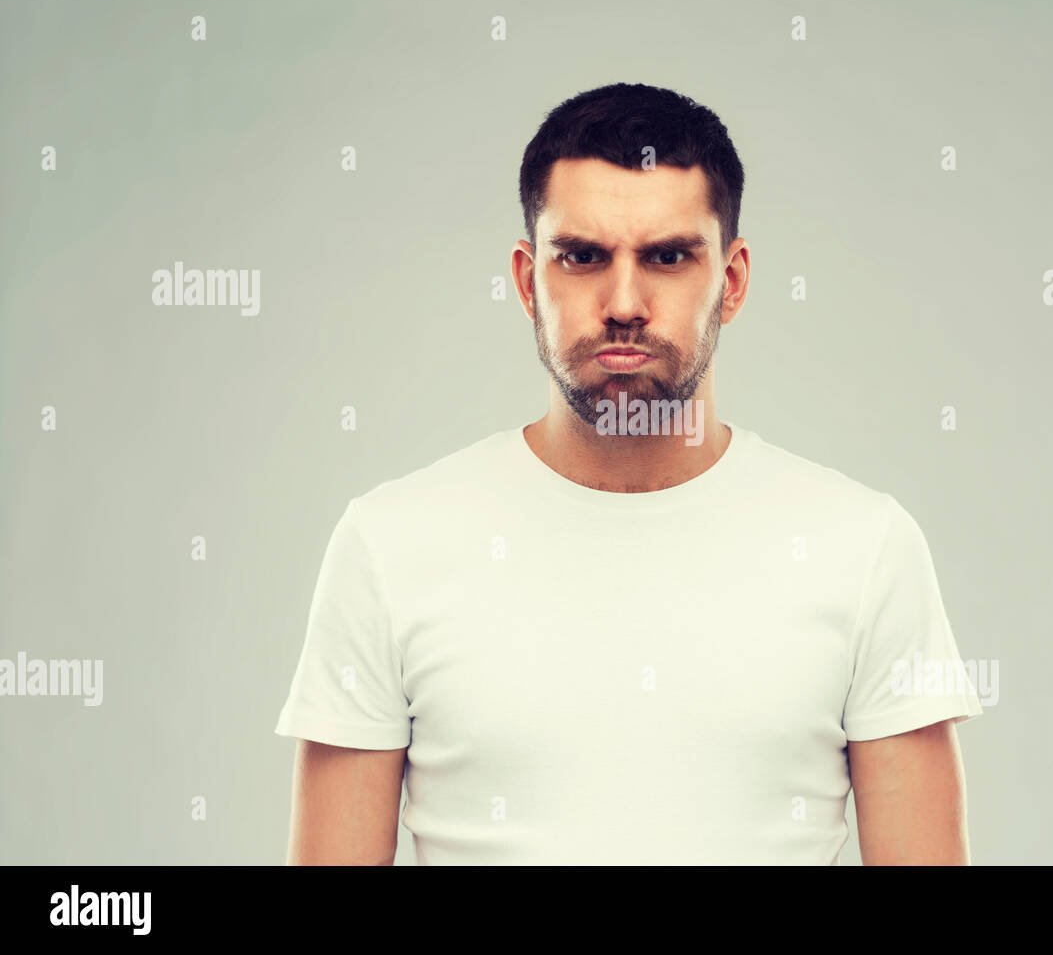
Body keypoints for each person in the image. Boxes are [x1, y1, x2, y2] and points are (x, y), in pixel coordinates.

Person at [274, 82, 983, 865]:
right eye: (581, 257)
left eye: (668, 257)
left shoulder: (864, 548)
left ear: (733, 280)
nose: (623, 302)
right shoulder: (389, 544)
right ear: (525, 280)